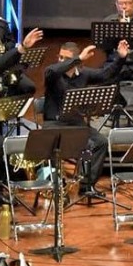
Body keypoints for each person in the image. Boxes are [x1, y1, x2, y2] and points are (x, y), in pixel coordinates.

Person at [41, 42, 122, 195]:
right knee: (86, 145)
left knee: (100, 142)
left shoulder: (83, 74)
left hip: (76, 124)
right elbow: (51, 71)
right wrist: (78, 59)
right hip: (55, 125)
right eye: (60, 57)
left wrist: (121, 58)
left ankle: (86, 185)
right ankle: (59, 183)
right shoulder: (54, 75)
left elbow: (106, 74)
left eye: (66, 58)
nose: (61, 61)